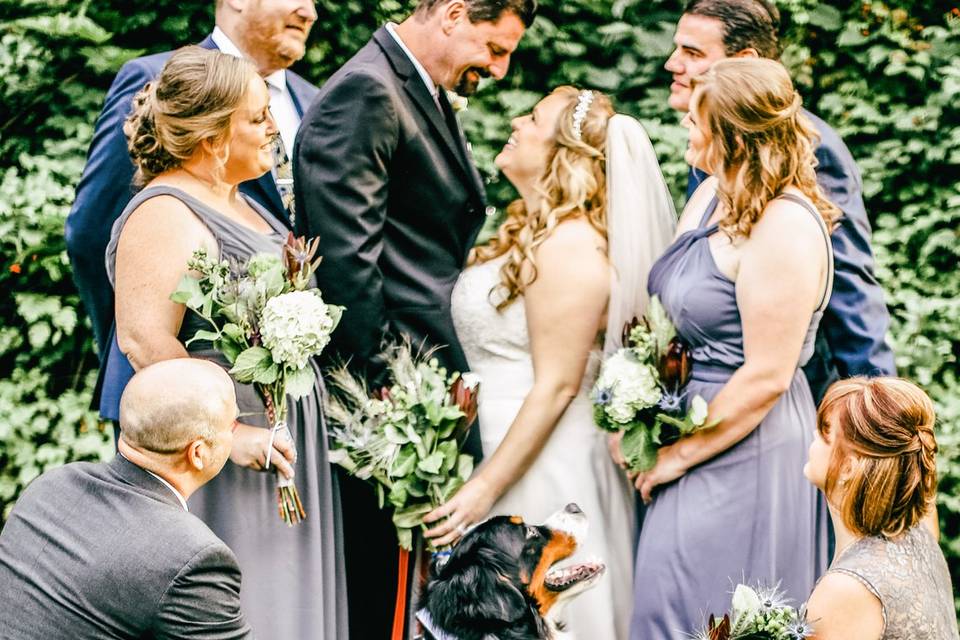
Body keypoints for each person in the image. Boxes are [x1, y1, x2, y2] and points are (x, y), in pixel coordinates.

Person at [293, 1, 536, 637]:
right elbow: (346, 266)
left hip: (427, 385)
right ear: (453, 13)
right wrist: (386, 399)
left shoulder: (413, 87)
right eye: (495, 46)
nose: (500, 68)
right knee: (385, 591)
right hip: (389, 404)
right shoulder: (367, 94)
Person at [105, 47, 344, 639]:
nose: (272, 128)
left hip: (287, 439)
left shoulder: (247, 202)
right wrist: (229, 433)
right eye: (258, 117)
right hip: (218, 455)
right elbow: (143, 339)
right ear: (214, 136)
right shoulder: (165, 210)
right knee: (250, 604)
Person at [423, 86, 677, 639]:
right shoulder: (536, 232)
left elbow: (558, 386)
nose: (516, 119)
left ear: (562, 152)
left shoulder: (570, 245)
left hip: (541, 462)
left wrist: (483, 493)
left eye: (533, 117)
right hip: (505, 446)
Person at [629, 58, 834, 637]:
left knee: (703, 614)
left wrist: (677, 457)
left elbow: (768, 373)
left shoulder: (784, 225)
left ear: (733, 135)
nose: (688, 132)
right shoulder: (711, 199)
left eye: (698, 121)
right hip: (688, 430)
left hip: (747, 446)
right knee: (661, 606)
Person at [65, 0, 319, 422]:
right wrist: (134, 334)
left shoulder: (314, 101)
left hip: (282, 405)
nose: (309, 11)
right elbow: (91, 235)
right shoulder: (157, 82)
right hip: (180, 406)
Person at [664, 0, 895, 402]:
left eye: (693, 53)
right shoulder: (709, 145)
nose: (672, 63)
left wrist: (880, 413)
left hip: (788, 386)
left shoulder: (806, 149)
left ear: (744, 60)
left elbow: (851, 289)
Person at [0, 359, 251, 640]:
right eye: (232, 424)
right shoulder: (193, 558)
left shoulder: (52, 485)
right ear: (197, 453)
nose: (234, 432)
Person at [805, 377, 958, 640]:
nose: (813, 435)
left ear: (848, 468)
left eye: (825, 431)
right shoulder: (919, 529)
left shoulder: (845, 591)